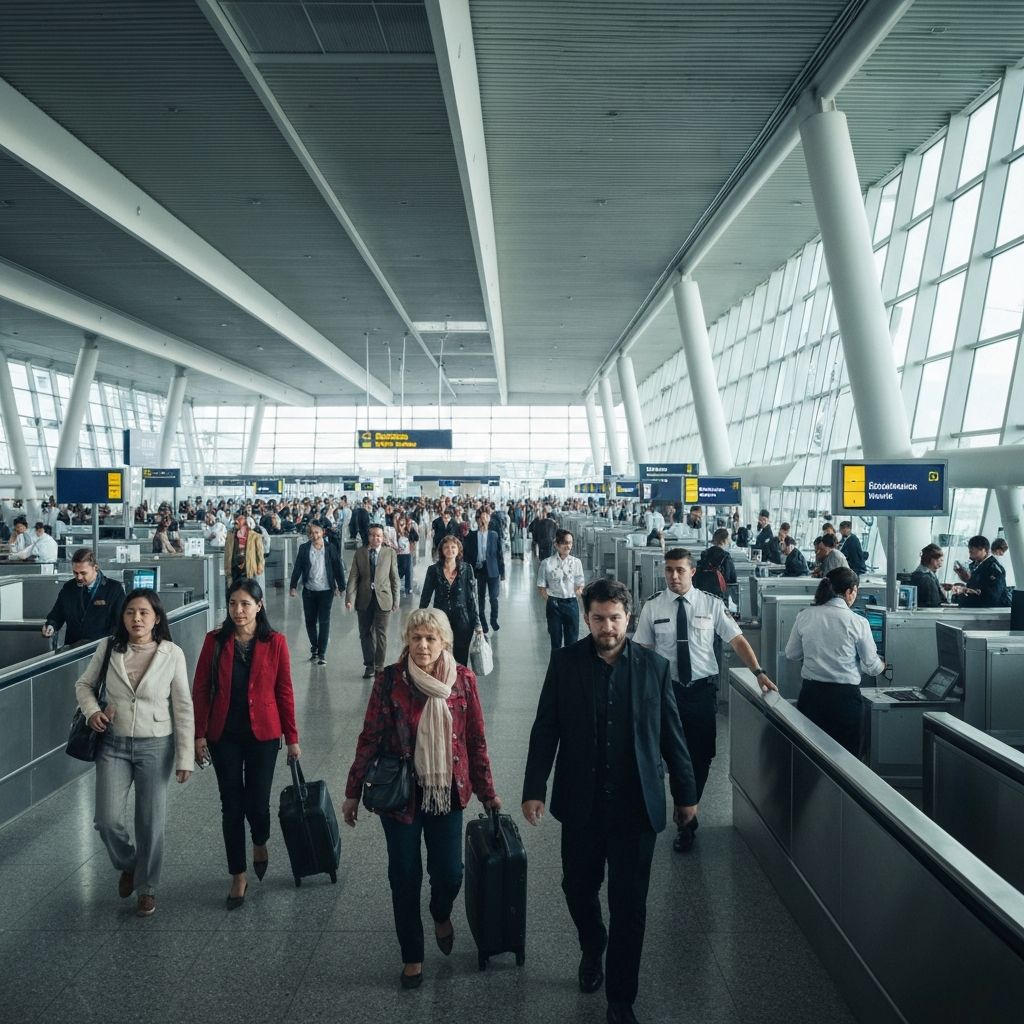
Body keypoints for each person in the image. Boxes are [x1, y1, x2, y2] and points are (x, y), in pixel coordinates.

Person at [522, 578, 699, 1024]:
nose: (607, 627)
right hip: (581, 804)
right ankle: (592, 942)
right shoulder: (565, 664)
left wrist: (686, 795)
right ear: (586, 618)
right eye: (599, 618)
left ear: (628, 617)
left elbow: (672, 735)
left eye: (615, 618)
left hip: (636, 806)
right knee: (577, 888)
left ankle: (621, 998)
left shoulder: (654, 668)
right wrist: (534, 788)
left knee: (630, 904)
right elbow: (546, 728)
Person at [342, 608, 501, 989]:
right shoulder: (389, 680)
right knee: (404, 874)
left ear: (445, 642)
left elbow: (475, 740)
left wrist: (488, 793)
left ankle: (440, 911)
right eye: (416, 638)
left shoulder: (463, 680)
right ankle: (412, 954)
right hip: (399, 794)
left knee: (449, 873)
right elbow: (369, 736)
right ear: (407, 641)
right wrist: (352, 791)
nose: (423, 645)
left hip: (446, 790)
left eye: (431, 638)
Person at [633, 548, 776, 854]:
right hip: (667, 692)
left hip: (701, 692)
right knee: (672, 754)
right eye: (669, 570)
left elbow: (736, 639)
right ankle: (684, 817)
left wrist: (759, 672)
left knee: (700, 756)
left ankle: (688, 807)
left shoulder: (711, 604)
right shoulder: (653, 606)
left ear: (692, 572)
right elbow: (641, 651)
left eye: (679, 570)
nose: (673, 576)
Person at [75, 589, 194, 917]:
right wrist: (91, 712)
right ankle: (130, 864)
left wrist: (185, 757)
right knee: (106, 820)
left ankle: (147, 887)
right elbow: (84, 685)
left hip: (156, 744)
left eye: (143, 613)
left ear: (156, 618)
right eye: (130, 612)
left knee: (150, 822)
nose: (136, 618)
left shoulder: (172, 653)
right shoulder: (108, 648)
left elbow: (183, 706)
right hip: (112, 744)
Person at [192, 578, 300, 909]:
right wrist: (198, 733)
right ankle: (238, 874)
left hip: (263, 735)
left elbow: (284, 690)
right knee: (231, 805)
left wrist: (292, 738)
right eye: (233, 604)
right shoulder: (215, 641)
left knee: (257, 802)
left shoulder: (275, 642)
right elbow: (201, 688)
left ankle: (260, 839)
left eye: (245, 604)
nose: (238, 610)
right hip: (223, 734)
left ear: (259, 605)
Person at [784, 567, 886, 754]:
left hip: (811, 696)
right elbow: (871, 666)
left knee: (810, 754)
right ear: (849, 591)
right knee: (845, 758)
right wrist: (882, 666)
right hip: (844, 700)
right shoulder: (858, 622)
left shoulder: (805, 615)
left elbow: (791, 654)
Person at [347, 523, 400, 678]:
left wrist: (396, 599)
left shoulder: (389, 553)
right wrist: (350, 598)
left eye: (378, 535)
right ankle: (369, 664)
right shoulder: (360, 553)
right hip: (364, 599)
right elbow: (353, 577)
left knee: (381, 634)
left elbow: (394, 578)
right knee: (365, 633)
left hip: (383, 598)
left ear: (383, 538)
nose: (375, 538)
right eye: (372, 535)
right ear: (368, 536)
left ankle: (379, 666)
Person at [420, 535, 482, 667]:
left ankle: (459, 679)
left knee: (461, 657)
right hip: (440, 619)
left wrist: (477, 624)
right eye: (446, 547)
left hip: (463, 619)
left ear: (458, 550)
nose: (450, 550)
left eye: (453, 547)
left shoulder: (467, 569)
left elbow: (472, 598)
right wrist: (420, 618)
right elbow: (425, 596)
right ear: (441, 550)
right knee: (440, 654)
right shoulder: (433, 570)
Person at [43, 548, 126, 645]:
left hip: (101, 648)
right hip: (73, 648)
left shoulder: (113, 589)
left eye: (83, 573)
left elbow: (120, 622)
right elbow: (57, 614)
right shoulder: (69, 588)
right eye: (75, 573)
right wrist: (51, 625)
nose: (79, 577)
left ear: (95, 568)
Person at [289, 522, 345, 666]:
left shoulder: (330, 548)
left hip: (326, 591)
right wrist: (293, 586)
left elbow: (337, 567)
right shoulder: (304, 548)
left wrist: (341, 586)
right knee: (310, 621)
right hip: (309, 590)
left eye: (317, 532)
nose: (314, 535)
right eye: (311, 533)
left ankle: (322, 653)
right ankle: (314, 647)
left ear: (323, 532)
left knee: (324, 621)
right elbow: (298, 567)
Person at [537, 528, 585, 650]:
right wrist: (551, 600)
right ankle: (556, 663)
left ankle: (570, 663)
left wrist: (578, 593)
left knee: (572, 642)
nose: (568, 546)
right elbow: (541, 587)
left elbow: (580, 584)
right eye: (565, 543)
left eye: (570, 543)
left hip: (571, 603)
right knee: (555, 641)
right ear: (557, 544)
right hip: (554, 604)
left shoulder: (576, 562)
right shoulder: (546, 563)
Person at [463, 508, 505, 633]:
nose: (484, 520)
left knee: (493, 597)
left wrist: (502, 572)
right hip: (479, 570)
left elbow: (499, 554)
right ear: (477, 520)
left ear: (489, 519)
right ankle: (483, 622)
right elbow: (467, 555)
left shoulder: (494, 535)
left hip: (493, 570)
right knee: (480, 597)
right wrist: (469, 571)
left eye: (486, 517)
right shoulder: (472, 535)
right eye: (481, 518)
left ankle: (493, 619)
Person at [955, 535, 1010, 607]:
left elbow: (992, 596)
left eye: (972, 548)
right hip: (981, 608)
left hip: (993, 610)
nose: (969, 551)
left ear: (983, 549)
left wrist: (963, 599)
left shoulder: (993, 568)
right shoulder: (976, 566)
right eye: (969, 548)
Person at [224, 511, 265, 596]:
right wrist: (227, 569)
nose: (236, 524)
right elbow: (227, 552)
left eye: (238, 522)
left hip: (248, 568)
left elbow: (260, 554)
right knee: (234, 591)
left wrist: (260, 565)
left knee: (249, 591)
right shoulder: (231, 536)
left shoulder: (255, 536)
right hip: (234, 568)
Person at [909, 543, 950, 608]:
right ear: (933, 560)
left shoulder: (919, 575)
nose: (941, 564)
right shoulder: (927, 579)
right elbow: (933, 603)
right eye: (941, 560)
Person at [393, 513, 418, 596]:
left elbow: (416, 538)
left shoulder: (408, 531)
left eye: (403, 522)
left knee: (408, 571)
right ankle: (394, 584)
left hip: (407, 554)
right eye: (400, 522)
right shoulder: (396, 532)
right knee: (400, 570)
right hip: (399, 554)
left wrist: (411, 528)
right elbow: (392, 542)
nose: (402, 524)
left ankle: (408, 588)